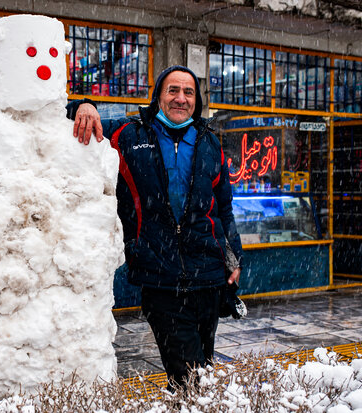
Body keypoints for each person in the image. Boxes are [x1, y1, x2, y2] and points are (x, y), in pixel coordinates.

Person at [66, 65, 244, 390]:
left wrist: (234, 257)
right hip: (160, 276)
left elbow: (223, 208)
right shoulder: (129, 134)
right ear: (158, 96)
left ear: (197, 100)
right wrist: (82, 105)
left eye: (188, 92)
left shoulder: (210, 143)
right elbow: (70, 124)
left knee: (198, 371)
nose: (181, 98)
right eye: (172, 90)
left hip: (208, 275)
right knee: (190, 375)